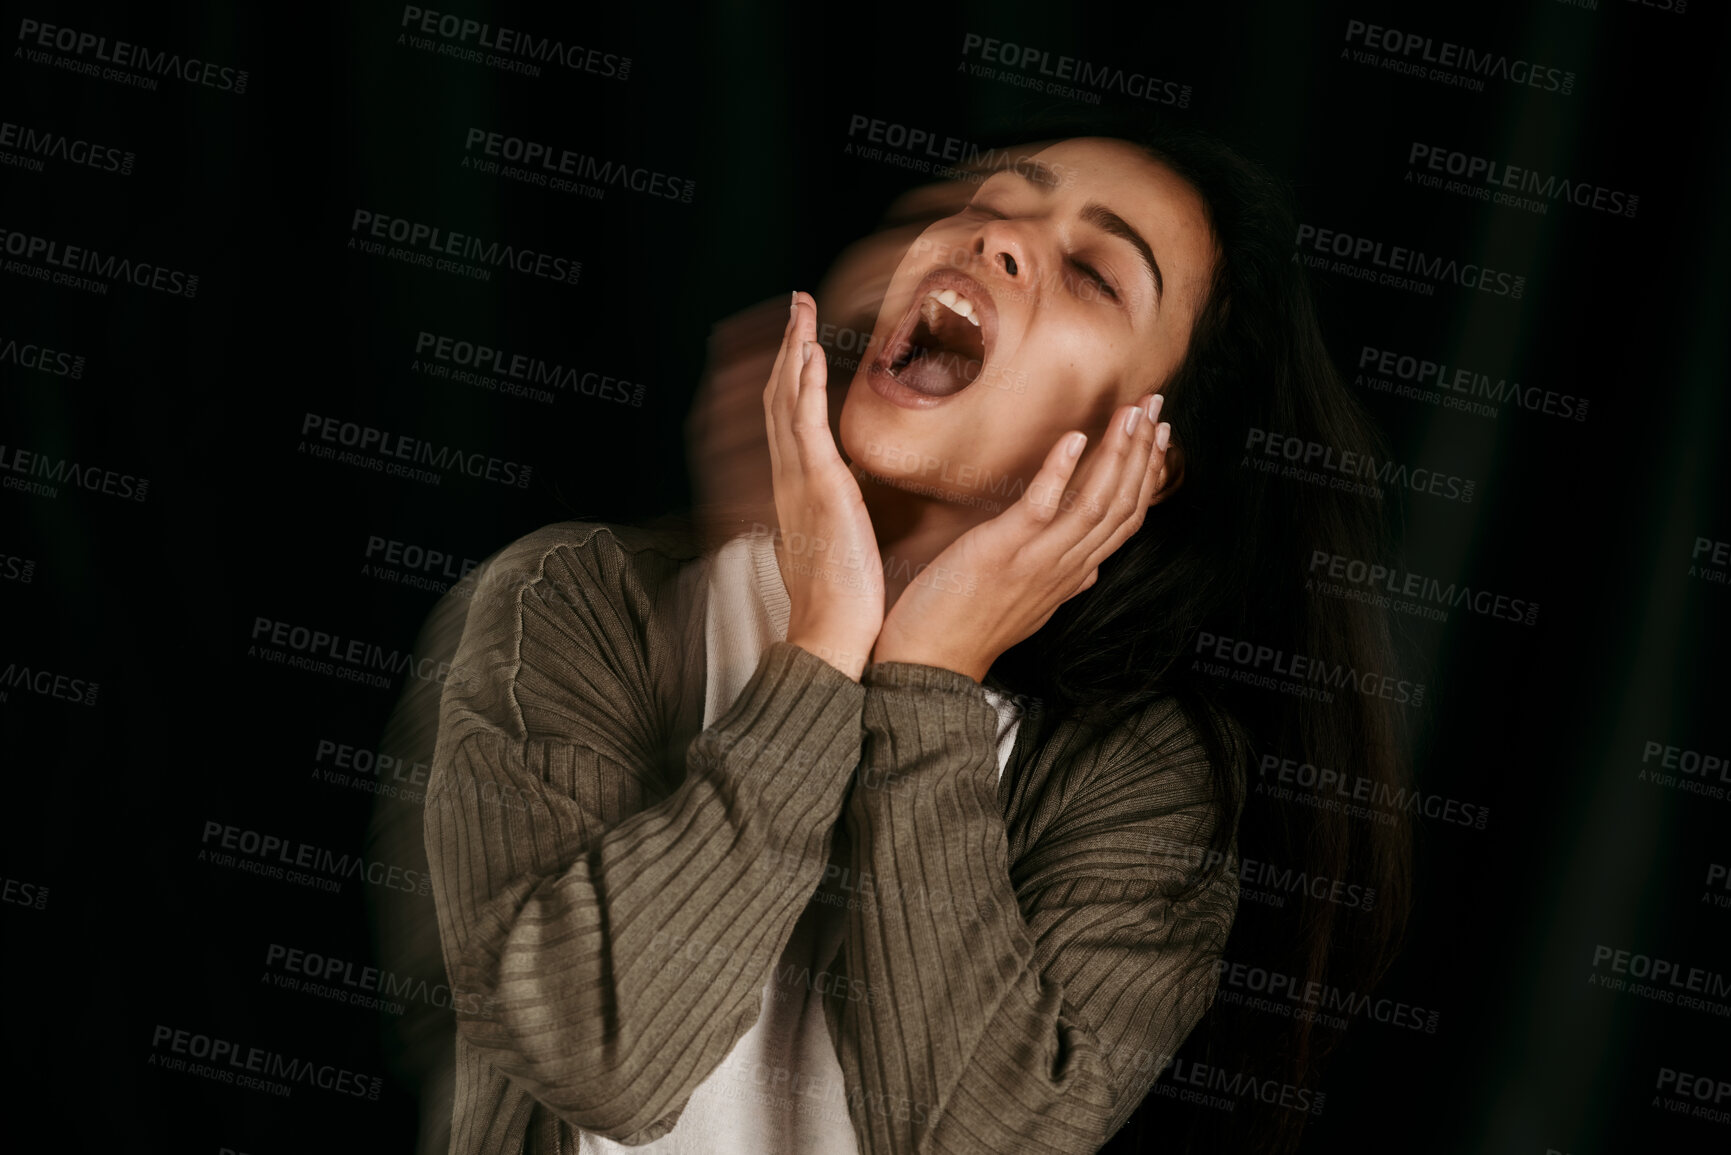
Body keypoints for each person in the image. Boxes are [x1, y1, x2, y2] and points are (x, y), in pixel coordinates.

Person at [419, 129, 1412, 1155]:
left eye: (1094, 273)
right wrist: (820, 653)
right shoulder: (572, 599)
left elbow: (972, 1140)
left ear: (1142, 463)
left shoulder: (1142, 777)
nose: (998, 239)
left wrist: (928, 681)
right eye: (993, 202)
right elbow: (602, 1063)